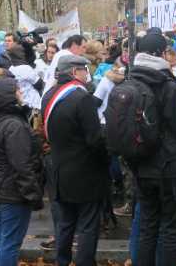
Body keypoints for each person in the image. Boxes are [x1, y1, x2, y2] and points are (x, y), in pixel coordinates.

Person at [131, 32, 176, 266]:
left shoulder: (131, 81)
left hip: (141, 164)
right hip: (170, 167)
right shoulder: (168, 85)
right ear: (160, 53)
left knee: (148, 226)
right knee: (170, 229)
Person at [42, 54, 108, 266]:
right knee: (88, 225)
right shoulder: (82, 98)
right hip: (86, 172)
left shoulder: (49, 96)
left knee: (66, 223)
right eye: (84, 69)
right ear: (73, 72)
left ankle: (62, 261)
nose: (86, 74)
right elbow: (94, 139)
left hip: (60, 170)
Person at [0, 77, 43, 266]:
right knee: (10, 242)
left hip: (2, 189)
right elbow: (21, 165)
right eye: (17, 90)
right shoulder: (14, 125)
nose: (21, 92)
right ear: (8, 96)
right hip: (13, 192)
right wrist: (33, 195)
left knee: (3, 240)